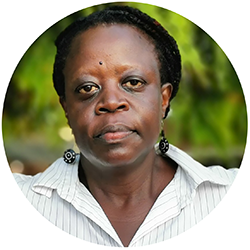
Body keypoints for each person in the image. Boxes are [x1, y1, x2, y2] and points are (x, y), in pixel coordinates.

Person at [13, 5, 238, 247]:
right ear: (67, 108)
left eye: (133, 82)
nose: (110, 102)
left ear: (163, 100)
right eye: (87, 88)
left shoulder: (232, 197)